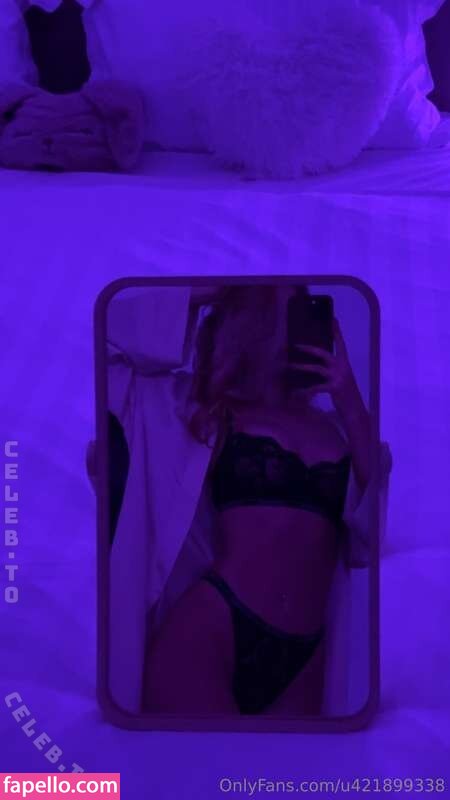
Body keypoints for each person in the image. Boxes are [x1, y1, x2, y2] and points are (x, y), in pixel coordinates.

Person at [142, 284, 371, 716]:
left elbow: (372, 533)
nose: (306, 320)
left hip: (305, 652)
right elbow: (115, 344)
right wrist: (204, 293)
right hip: (214, 630)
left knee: (278, 766)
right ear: (258, 324)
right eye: (293, 308)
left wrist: (351, 402)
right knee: (205, 763)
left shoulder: (337, 426)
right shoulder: (206, 409)